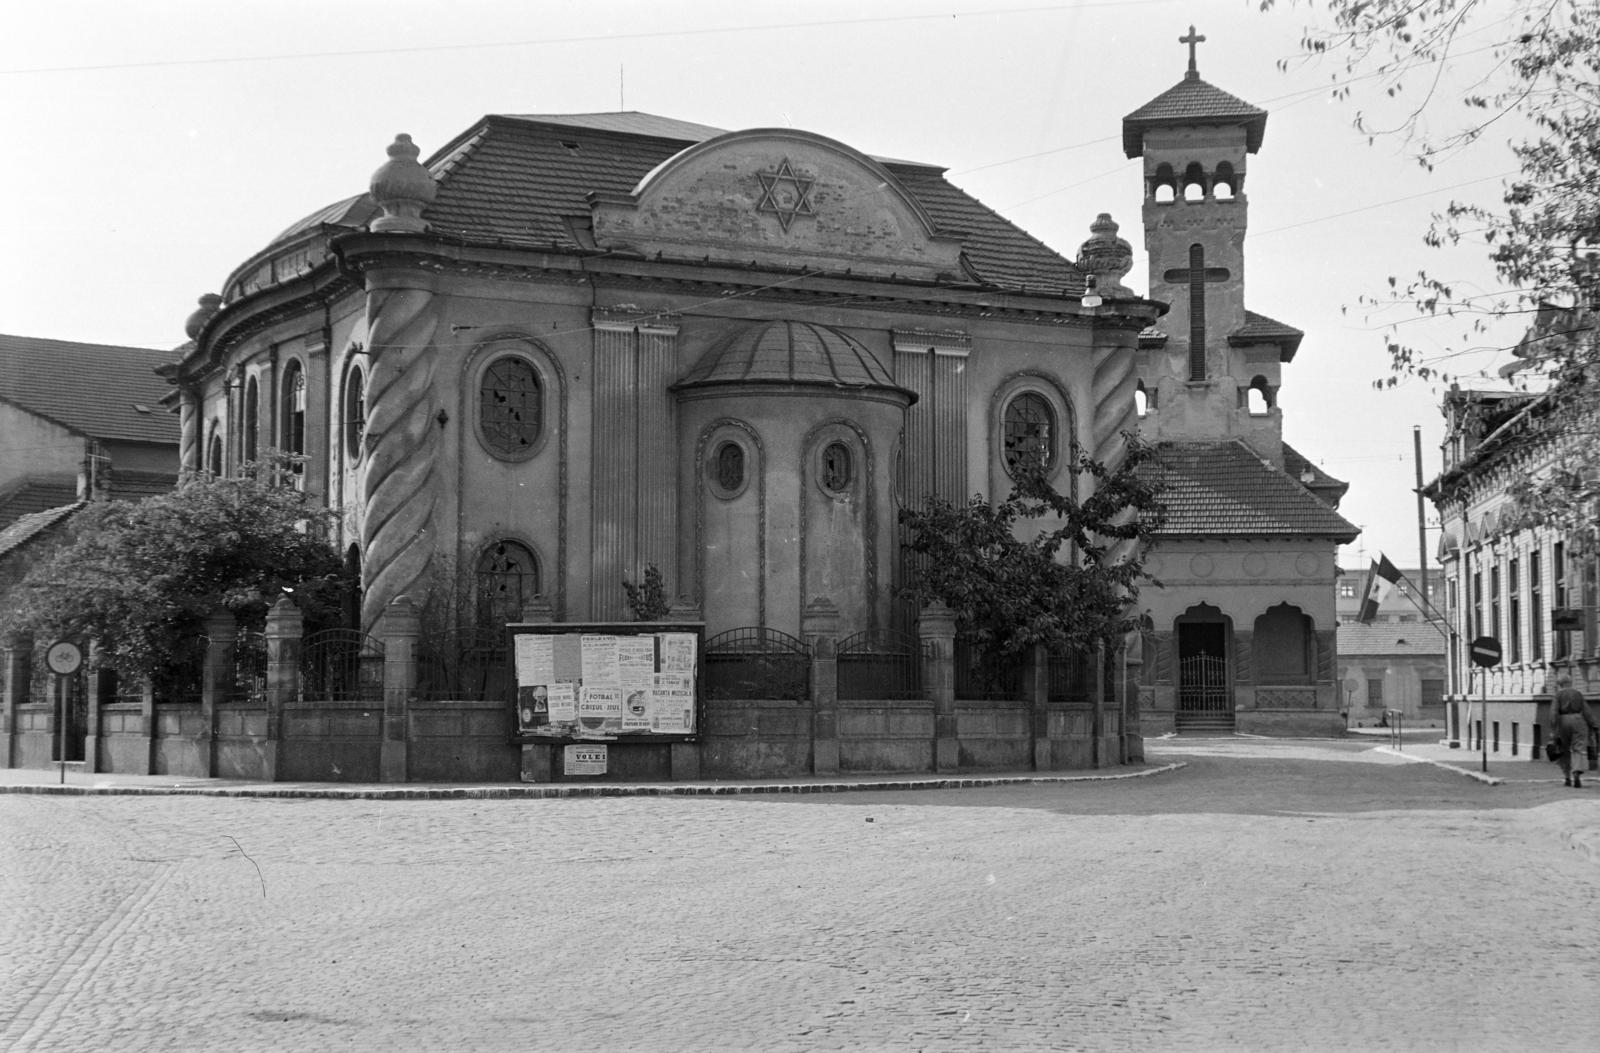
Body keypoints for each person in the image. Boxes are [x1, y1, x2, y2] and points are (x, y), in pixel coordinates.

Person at [1550, 675, 1598, 788]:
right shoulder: (1578, 694)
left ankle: (1567, 777)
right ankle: (1576, 771)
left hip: (1563, 720)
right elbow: (1586, 711)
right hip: (1578, 719)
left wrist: (1553, 728)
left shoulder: (1558, 695)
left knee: (1563, 749)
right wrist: (1593, 724)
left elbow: (1553, 713)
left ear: (1560, 684)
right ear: (1570, 683)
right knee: (1578, 748)